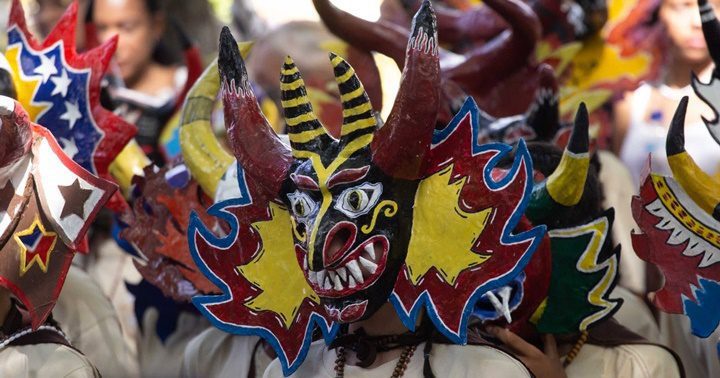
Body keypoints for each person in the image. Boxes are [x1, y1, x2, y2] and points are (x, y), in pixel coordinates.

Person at [187, 2, 558, 376]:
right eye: (302, 212)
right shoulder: (286, 373)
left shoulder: (487, 372)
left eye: (355, 200)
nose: (319, 241)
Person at [614, 0, 720, 188]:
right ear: (657, 11)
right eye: (683, 5)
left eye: (716, 6)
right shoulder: (630, 99)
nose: (697, 21)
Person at [92, 0, 186, 162]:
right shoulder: (94, 100)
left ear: (156, 26)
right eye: (102, 28)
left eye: (126, 27)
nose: (111, 44)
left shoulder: (189, 87)